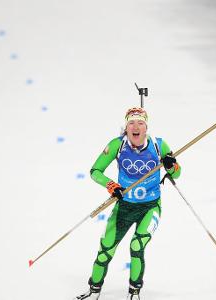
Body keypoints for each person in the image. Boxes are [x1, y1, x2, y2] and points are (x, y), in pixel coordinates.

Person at [74, 107, 181, 300]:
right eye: (131, 123)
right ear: (126, 127)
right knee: (106, 249)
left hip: (150, 207)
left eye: (140, 123)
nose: (136, 126)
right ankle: (94, 291)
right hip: (124, 207)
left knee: (137, 246)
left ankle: (134, 293)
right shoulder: (117, 145)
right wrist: (111, 185)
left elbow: (177, 173)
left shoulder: (159, 145)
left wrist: (171, 165)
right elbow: (95, 171)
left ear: (146, 127)